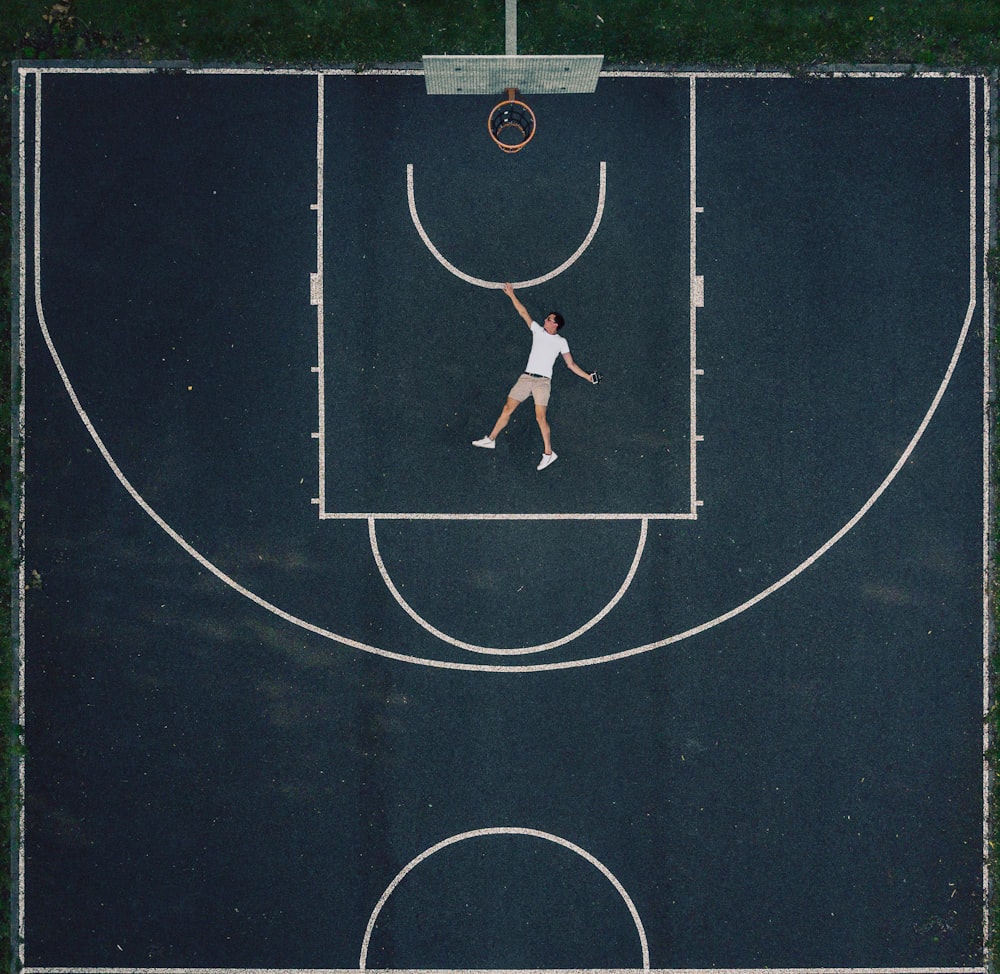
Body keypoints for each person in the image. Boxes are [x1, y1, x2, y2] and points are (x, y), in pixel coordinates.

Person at [473, 283, 599, 471]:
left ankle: (548, 453)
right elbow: (523, 313)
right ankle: (491, 439)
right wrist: (511, 295)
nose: (545, 320)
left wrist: (588, 377)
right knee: (508, 407)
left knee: (540, 417)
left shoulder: (561, 342)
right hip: (526, 378)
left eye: (549, 319)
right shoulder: (538, 331)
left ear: (555, 325)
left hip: (542, 382)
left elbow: (570, 364)